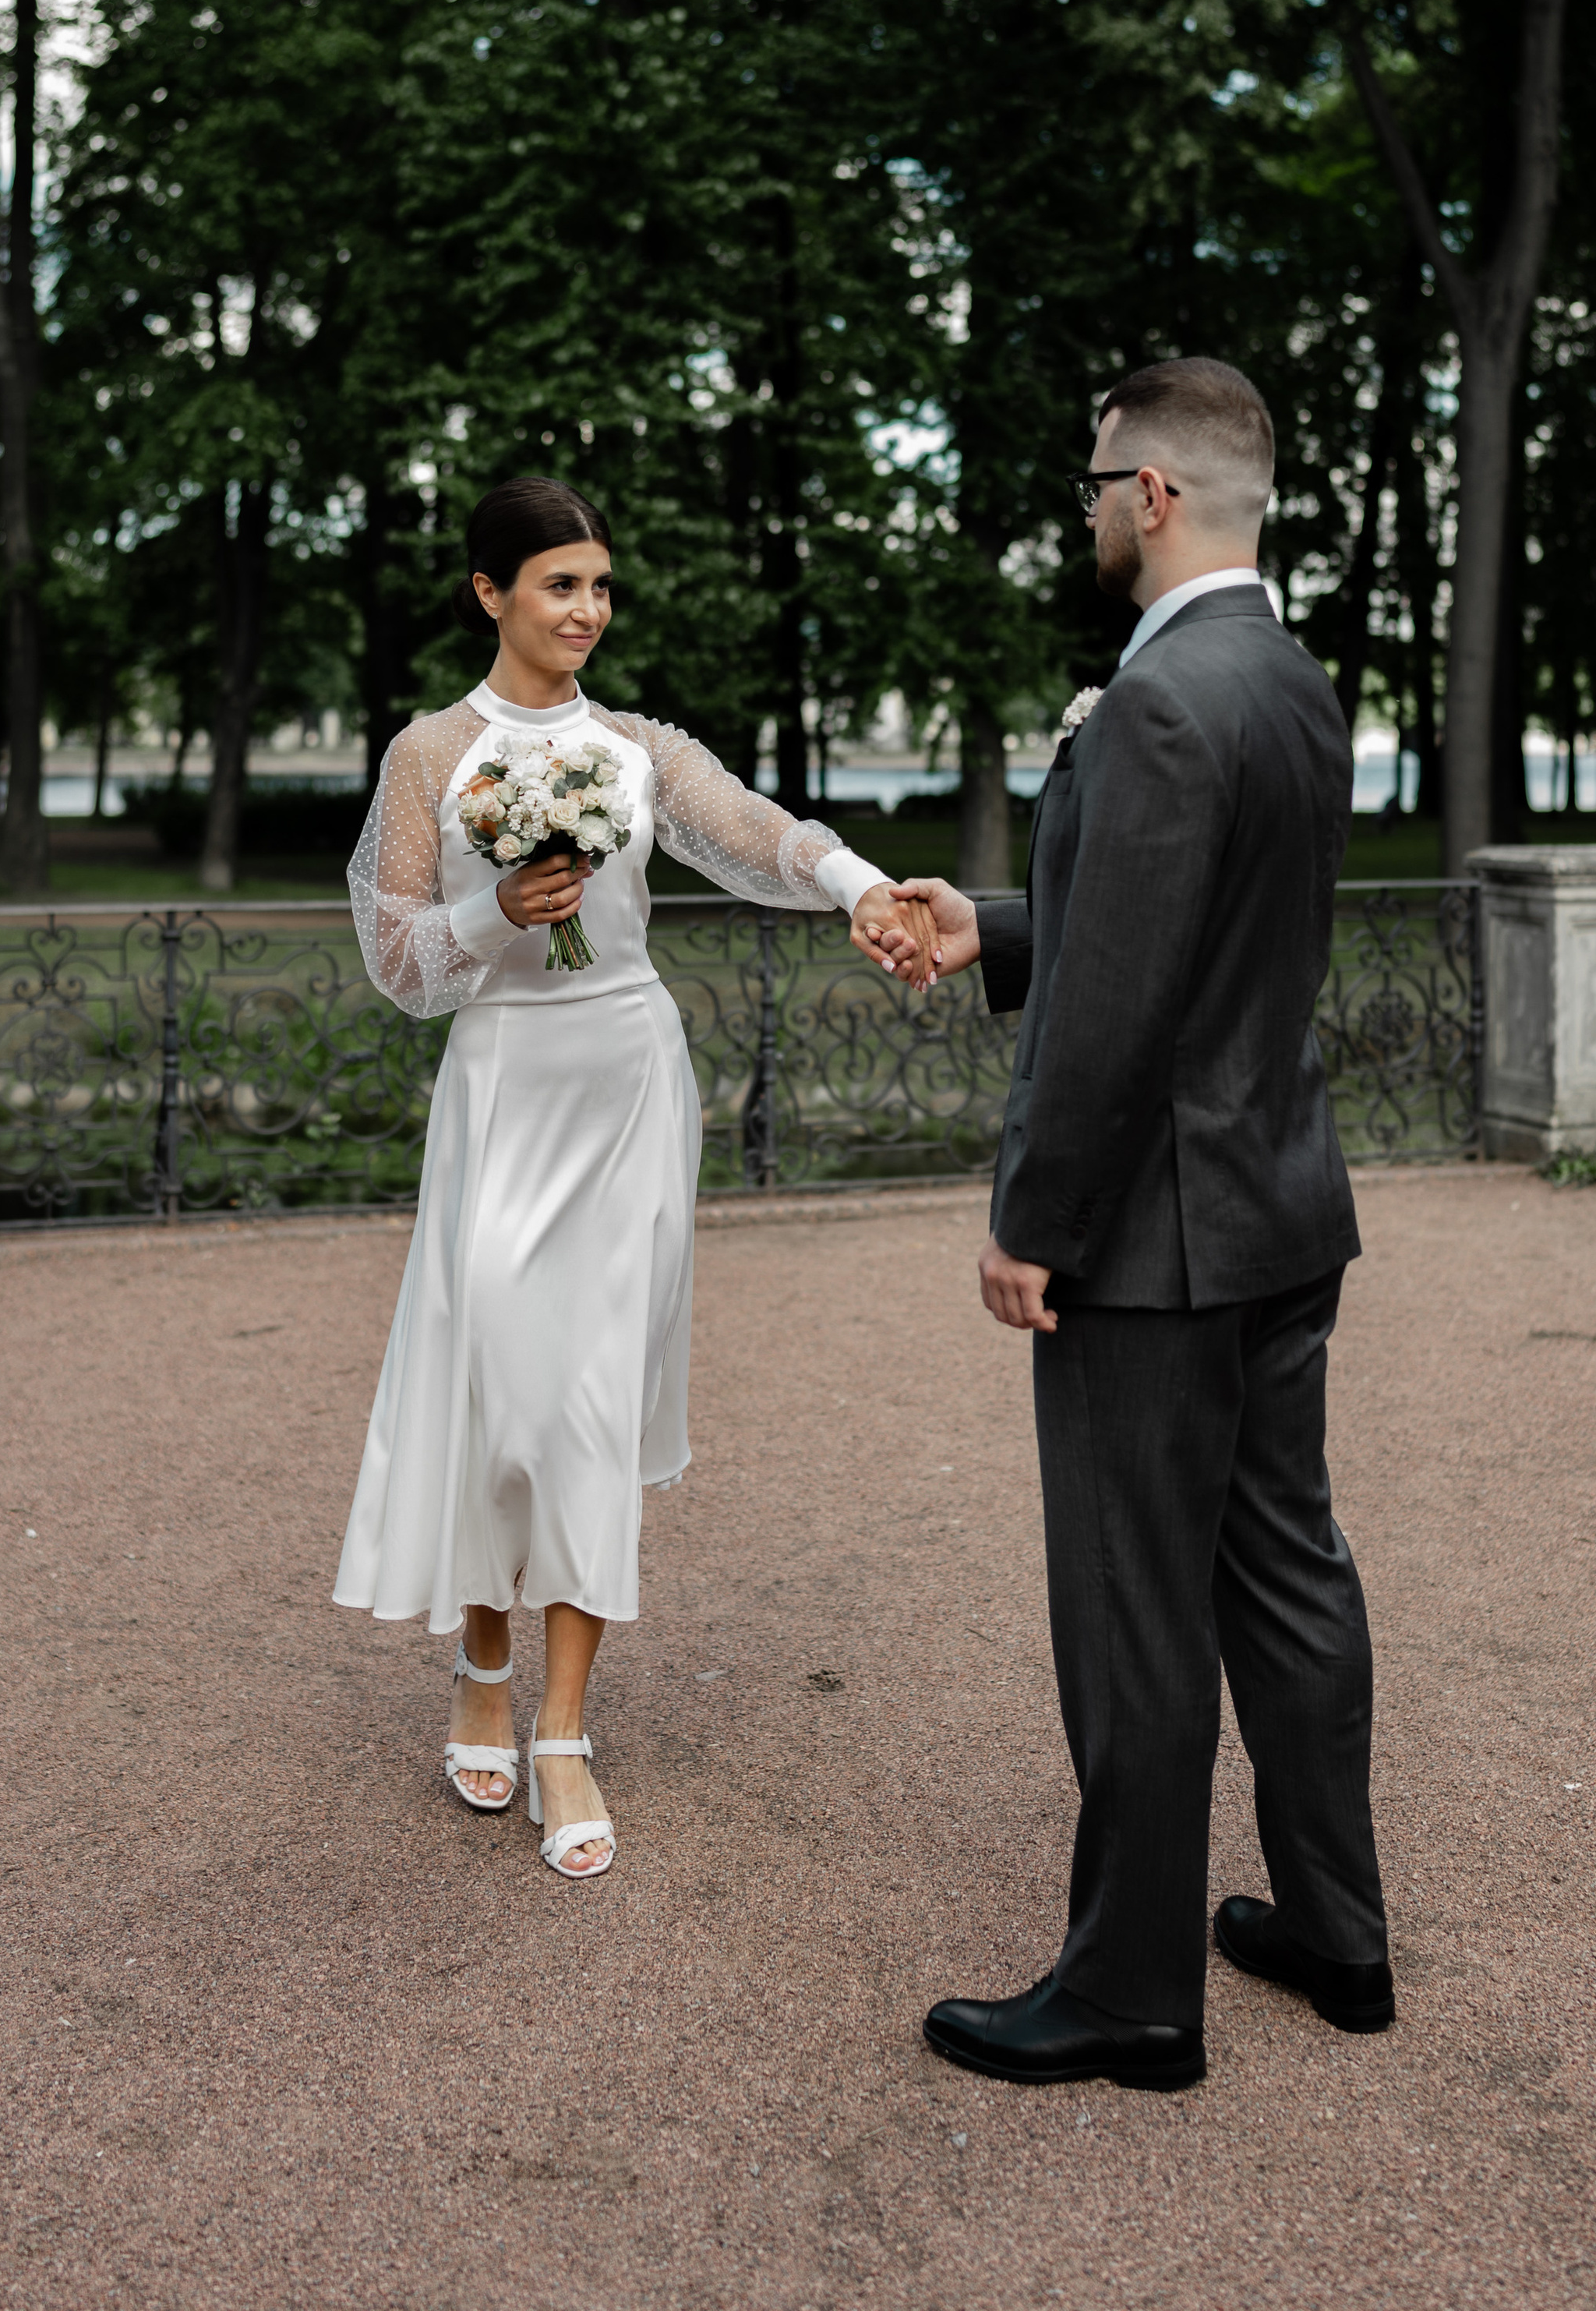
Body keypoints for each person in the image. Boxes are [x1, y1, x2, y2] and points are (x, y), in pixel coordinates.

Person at [897, 358, 1390, 2087]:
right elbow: (1188, 924)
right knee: (1286, 1577)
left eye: (1096, 481)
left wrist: (1033, 1218)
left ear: (1155, 491)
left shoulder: (1164, 696)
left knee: (1132, 1612)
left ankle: (1130, 1995)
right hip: (1276, 1208)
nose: (1090, 509)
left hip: (1155, 1248)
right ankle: (1336, 1930)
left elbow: (1117, 1013)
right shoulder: (1289, 681)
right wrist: (995, 923)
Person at [334, 475, 937, 1879]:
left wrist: (861, 887)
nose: (588, 611)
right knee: (498, 1400)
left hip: (622, 1082)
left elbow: (754, 830)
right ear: (490, 594)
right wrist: (499, 911)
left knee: (587, 1401)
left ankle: (560, 1730)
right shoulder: (430, 752)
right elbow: (400, 963)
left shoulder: (636, 747)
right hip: (501, 1087)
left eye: (601, 585)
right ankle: (479, 1666)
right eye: (560, 584)